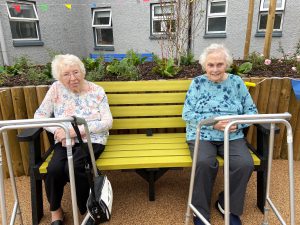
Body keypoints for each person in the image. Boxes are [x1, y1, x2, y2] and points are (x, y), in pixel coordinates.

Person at [182, 44, 257, 225]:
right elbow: (187, 114)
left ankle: (227, 206)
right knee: (204, 162)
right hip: (202, 134)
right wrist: (214, 123)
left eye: (219, 64)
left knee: (244, 163)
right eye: (211, 65)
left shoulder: (236, 83)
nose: (215, 69)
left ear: (227, 65)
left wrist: (237, 123)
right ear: (204, 66)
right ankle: (199, 212)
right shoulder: (198, 83)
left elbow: (252, 112)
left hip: (232, 136)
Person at [34, 54, 113, 225]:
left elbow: (107, 122)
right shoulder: (56, 89)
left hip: (93, 139)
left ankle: (87, 209)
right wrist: (60, 131)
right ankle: (56, 211)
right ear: (59, 77)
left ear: (82, 71)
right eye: (66, 74)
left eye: (76, 72)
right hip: (64, 141)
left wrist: (73, 132)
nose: (72, 78)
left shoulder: (96, 91)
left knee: (77, 166)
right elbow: (39, 115)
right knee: (54, 169)